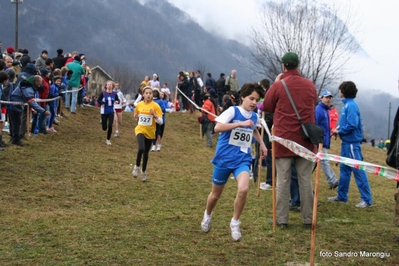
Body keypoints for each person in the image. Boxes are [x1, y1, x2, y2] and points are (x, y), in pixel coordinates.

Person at [200, 82, 267, 241]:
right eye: (251, 98)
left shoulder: (255, 115)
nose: (253, 103)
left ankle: (235, 222)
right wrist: (239, 123)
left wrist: (262, 144)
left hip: (242, 159)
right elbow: (217, 128)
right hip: (224, 158)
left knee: (243, 189)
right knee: (215, 195)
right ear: (242, 97)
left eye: (256, 100)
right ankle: (208, 215)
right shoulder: (233, 111)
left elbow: (254, 129)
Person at [263, 52, 317, 228]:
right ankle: (308, 219)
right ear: (297, 65)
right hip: (305, 139)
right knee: (305, 180)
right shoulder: (310, 85)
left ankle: (281, 220)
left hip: (284, 138)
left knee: (283, 180)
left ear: (284, 66)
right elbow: (313, 102)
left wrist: (277, 83)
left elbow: (268, 105)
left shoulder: (280, 85)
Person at [328, 81, 373, 208]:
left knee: (358, 170)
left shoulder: (351, 106)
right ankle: (342, 196)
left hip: (352, 144)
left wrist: (340, 130)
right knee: (345, 170)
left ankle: (367, 199)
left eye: (340, 90)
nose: (339, 92)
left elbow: (352, 124)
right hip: (346, 143)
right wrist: (338, 129)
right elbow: (346, 123)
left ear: (344, 91)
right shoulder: (347, 105)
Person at [132, 86, 163, 182]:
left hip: (150, 132)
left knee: (146, 153)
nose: (148, 95)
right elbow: (136, 115)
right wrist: (135, 116)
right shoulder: (139, 105)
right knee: (141, 148)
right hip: (140, 129)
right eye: (147, 93)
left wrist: (154, 115)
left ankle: (144, 171)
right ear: (143, 94)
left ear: (152, 95)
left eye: (150, 93)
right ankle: (136, 167)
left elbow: (161, 122)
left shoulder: (156, 106)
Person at [8, 75, 50, 146]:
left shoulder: (27, 85)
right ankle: (15, 139)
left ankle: (14, 138)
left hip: (15, 105)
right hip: (15, 106)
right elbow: (31, 102)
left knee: (15, 122)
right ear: (35, 82)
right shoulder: (28, 88)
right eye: (40, 82)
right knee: (16, 123)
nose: (41, 84)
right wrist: (43, 111)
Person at [315, 90, 339, 189]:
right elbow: (314, 124)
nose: (328, 99)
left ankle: (332, 180)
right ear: (321, 98)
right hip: (319, 141)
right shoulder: (319, 110)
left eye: (330, 98)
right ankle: (332, 180)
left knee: (322, 161)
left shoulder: (326, 110)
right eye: (326, 97)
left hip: (324, 139)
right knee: (324, 161)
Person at [97, 81, 119, 145]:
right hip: (104, 111)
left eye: (110, 85)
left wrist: (117, 101)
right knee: (104, 128)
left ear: (112, 86)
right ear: (106, 86)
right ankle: (102, 121)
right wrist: (102, 103)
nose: (109, 86)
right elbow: (98, 100)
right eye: (108, 84)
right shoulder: (103, 93)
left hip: (111, 111)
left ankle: (108, 139)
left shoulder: (114, 94)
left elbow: (118, 100)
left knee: (110, 125)